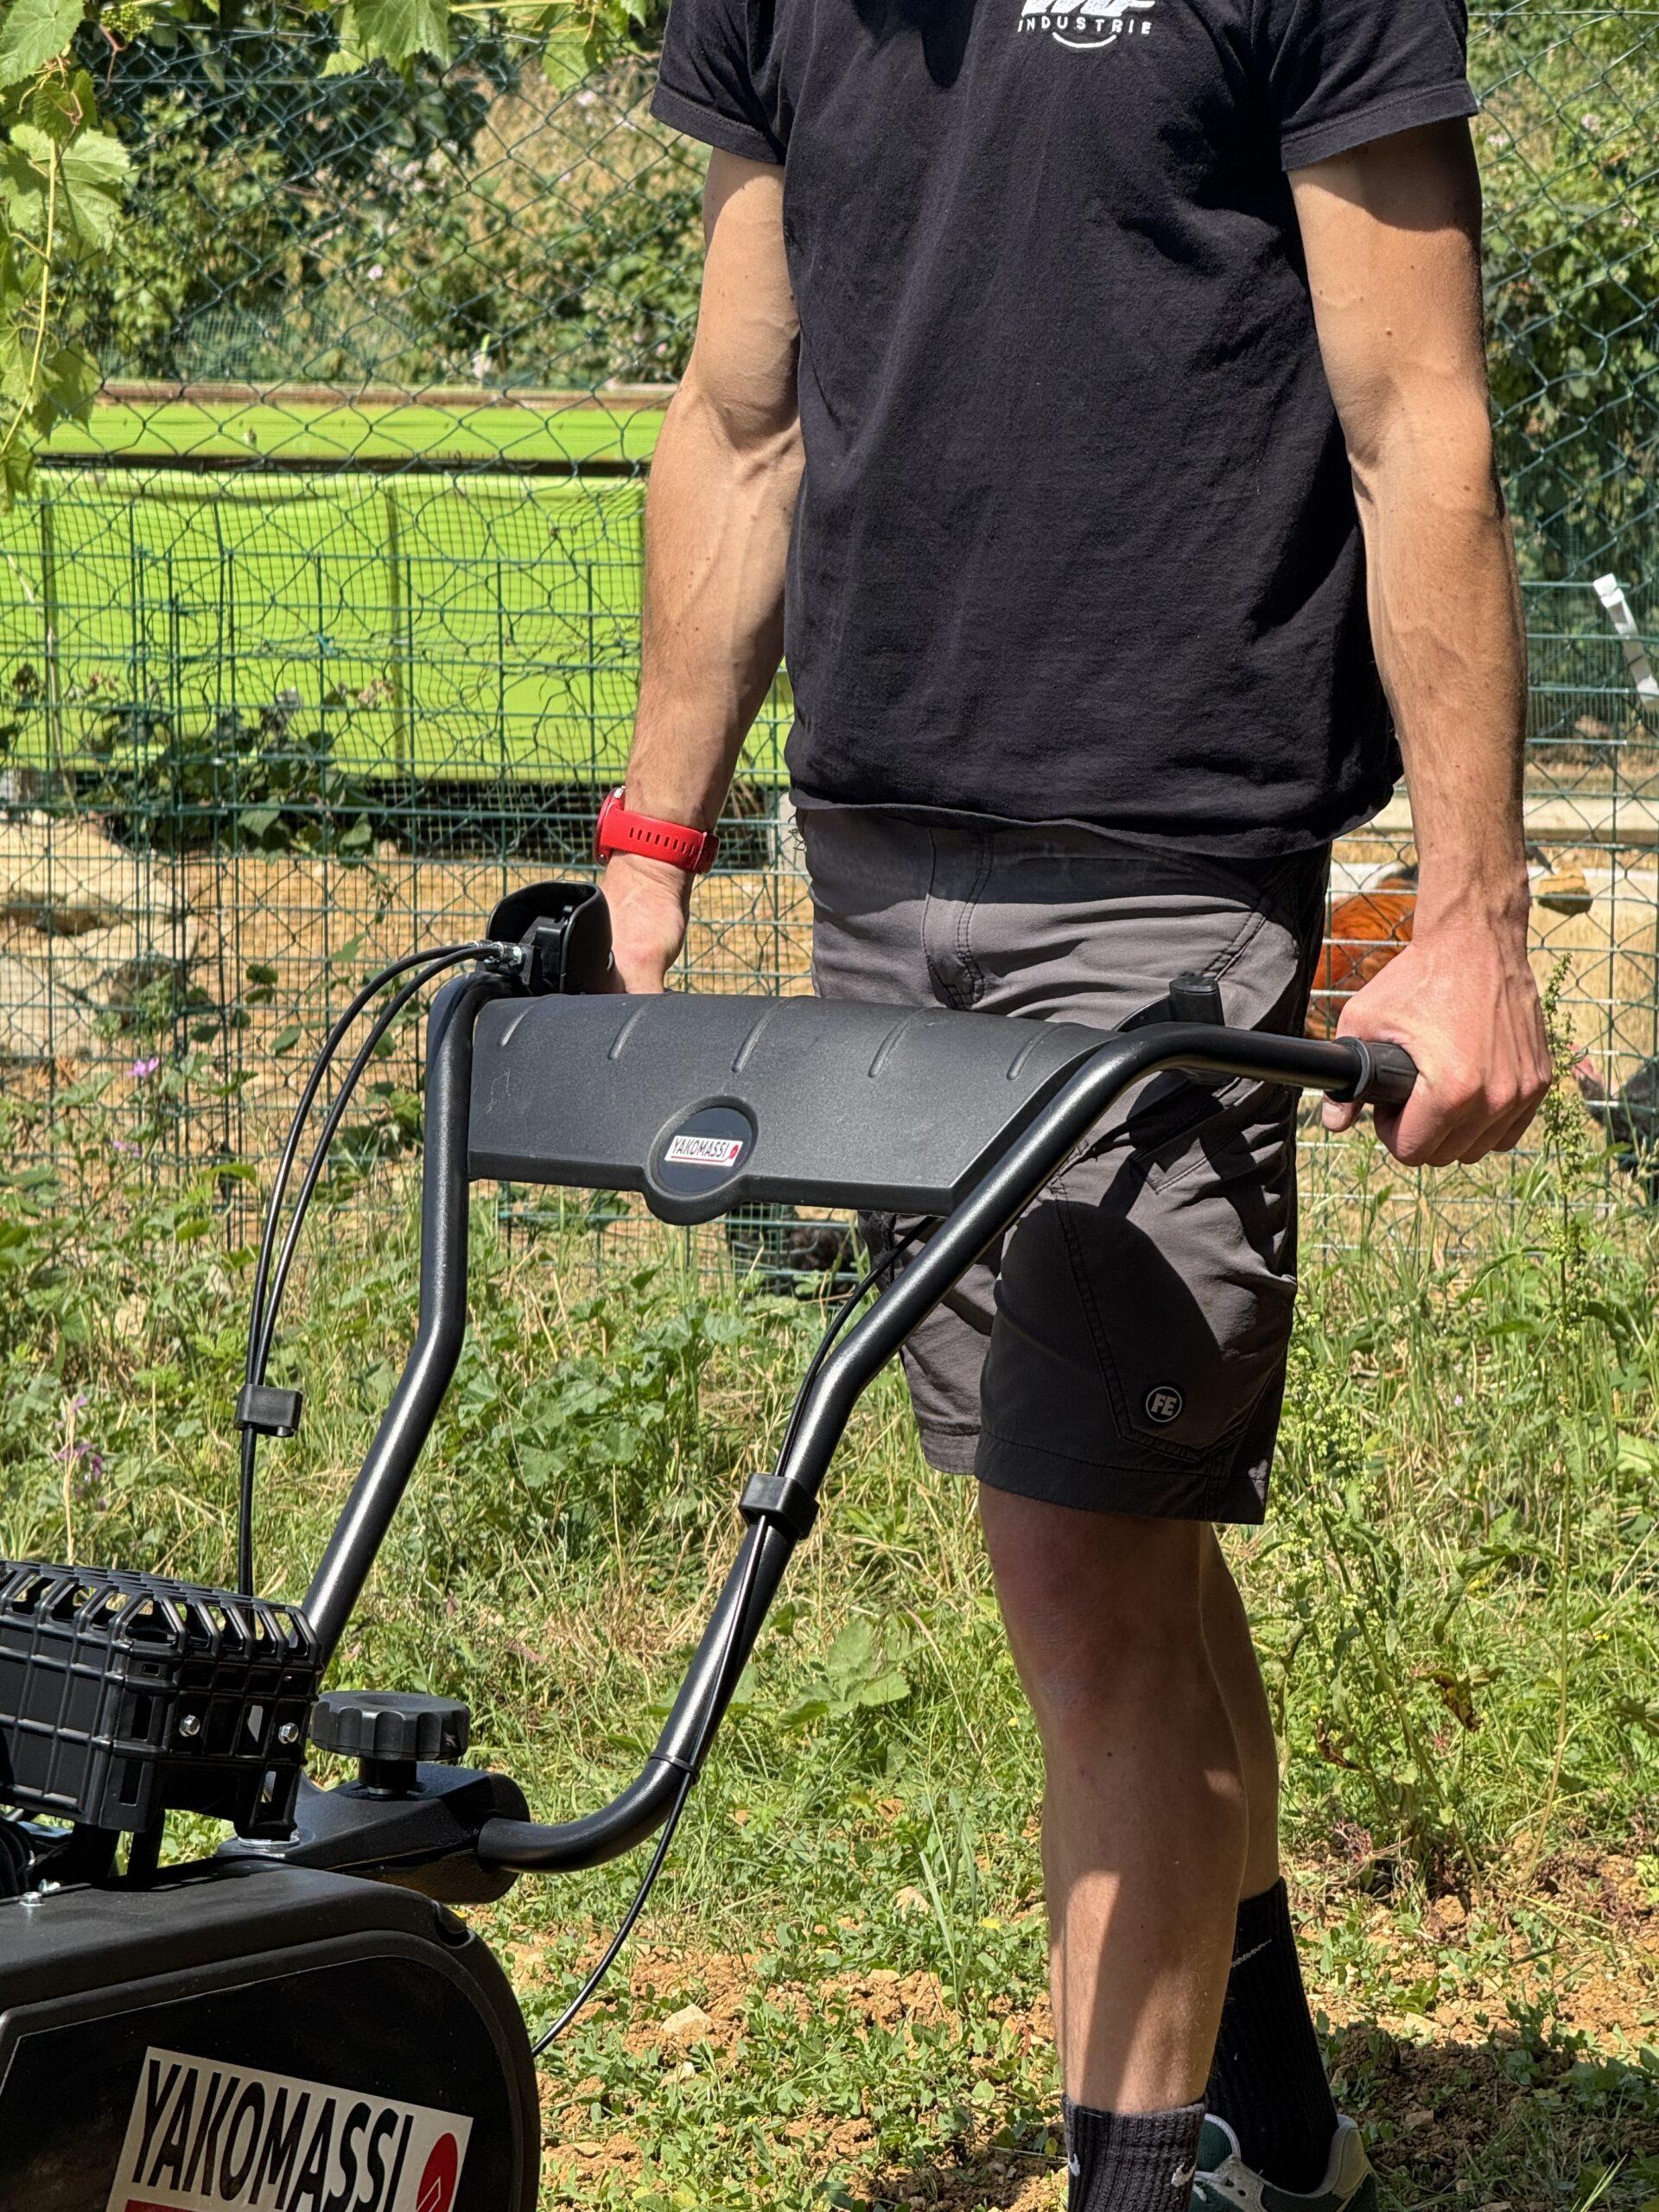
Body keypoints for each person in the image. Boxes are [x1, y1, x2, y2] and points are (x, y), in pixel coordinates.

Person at [594, 3, 1553, 2204]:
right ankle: (1271, 2126)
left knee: (1076, 1556)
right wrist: (652, 837)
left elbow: (1416, 415)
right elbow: (740, 417)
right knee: (1110, 1531)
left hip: (1165, 857)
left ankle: (1137, 2176)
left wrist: (1474, 917)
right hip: (879, 856)